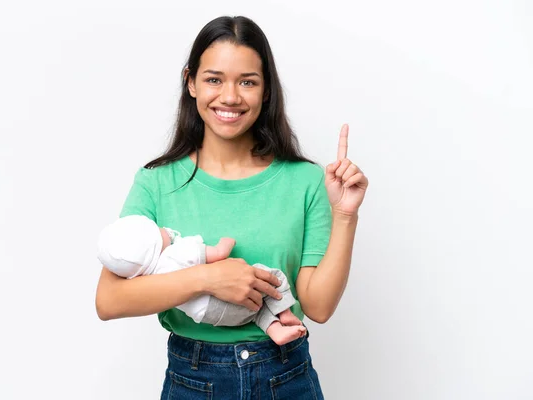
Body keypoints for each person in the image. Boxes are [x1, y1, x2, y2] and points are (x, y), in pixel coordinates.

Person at [95, 15, 369, 399]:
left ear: (267, 90)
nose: (230, 97)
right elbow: (109, 301)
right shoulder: (156, 182)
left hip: (286, 377)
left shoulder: (306, 181)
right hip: (193, 381)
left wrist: (345, 215)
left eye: (247, 82)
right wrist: (209, 279)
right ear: (190, 82)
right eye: (214, 79)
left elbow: (318, 307)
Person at [96, 214, 307, 345]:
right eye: (158, 230)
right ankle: (285, 312)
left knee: (254, 312)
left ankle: (276, 330)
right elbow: (218, 253)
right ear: (155, 243)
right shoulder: (177, 252)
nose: (164, 230)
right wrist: (227, 241)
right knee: (270, 277)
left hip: (209, 316)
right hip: (221, 303)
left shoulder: (149, 277)